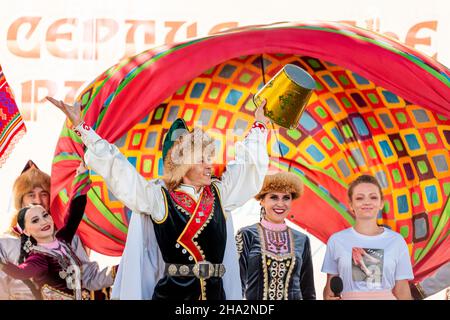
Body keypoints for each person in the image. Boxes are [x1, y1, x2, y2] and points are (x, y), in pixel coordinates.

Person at [47, 96, 270, 300]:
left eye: (208, 158)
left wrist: (260, 123)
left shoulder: (220, 194)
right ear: (184, 165)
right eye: (202, 160)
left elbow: (247, 168)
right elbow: (119, 169)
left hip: (214, 296)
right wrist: (81, 127)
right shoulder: (158, 198)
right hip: (173, 295)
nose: (209, 165)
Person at [0, 160, 116, 300]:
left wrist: (120, 269)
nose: (38, 200)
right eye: (31, 194)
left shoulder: (68, 239)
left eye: (44, 194)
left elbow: (89, 278)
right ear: (21, 201)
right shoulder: (5, 244)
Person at [321, 174, 413, 300]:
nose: (367, 202)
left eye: (373, 197)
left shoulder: (396, 241)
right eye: (359, 198)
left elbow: (402, 290)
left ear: (381, 203)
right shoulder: (336, 240)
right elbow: (330, 289)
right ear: (351, 205)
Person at [235, 172, 316, 300]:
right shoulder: (246, 235)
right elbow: (236, 285)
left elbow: (308, 291)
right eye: (273, 197)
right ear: (262, 200)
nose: (280, 204)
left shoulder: (302, 239)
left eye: (286, 198)